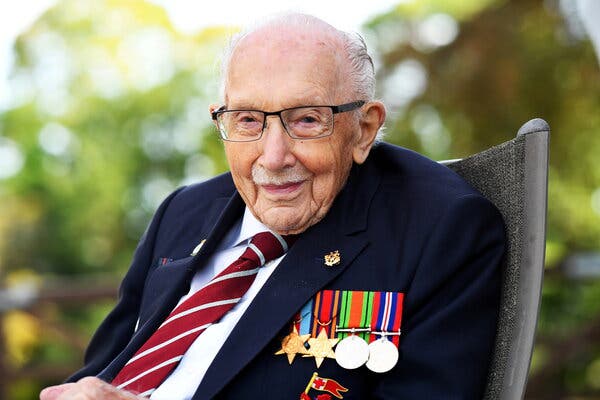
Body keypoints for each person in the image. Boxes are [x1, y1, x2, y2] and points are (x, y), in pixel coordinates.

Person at [40, 13, 506, 400]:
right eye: (247, 120)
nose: (274, 156)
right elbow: (98, 375)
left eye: (306, 120)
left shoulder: (442, 228)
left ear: (364, 129)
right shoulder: (182, 212)